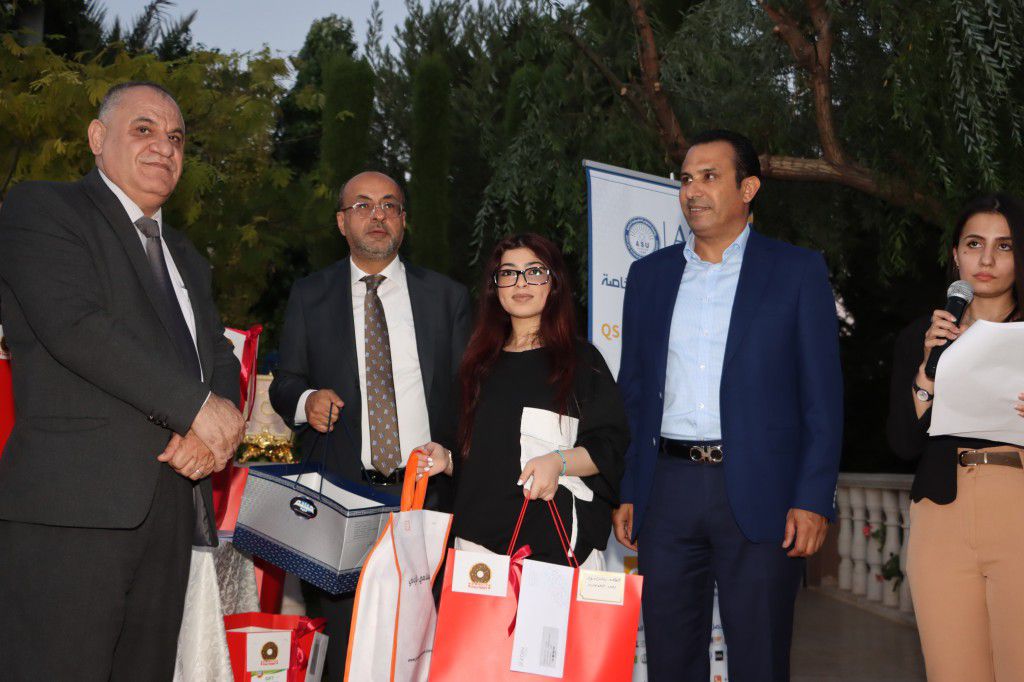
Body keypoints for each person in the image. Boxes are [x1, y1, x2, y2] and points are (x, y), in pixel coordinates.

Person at [0, 81, 245, 680]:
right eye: (144, 130)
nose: (165, 147)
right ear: (97, 137)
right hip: (73, 513)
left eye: (176, 138)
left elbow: (218, 354)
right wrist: (197, 408)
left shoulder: (187, 255)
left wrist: (215, 432)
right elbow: (77, 327)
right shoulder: (43, 210)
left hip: (170, 511)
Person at [612, 129, 843, 681]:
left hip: (761, 491)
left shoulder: (796, 271)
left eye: (710, 177)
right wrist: (629, 487)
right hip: (666, 492)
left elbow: (823, 399)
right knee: (670, 660)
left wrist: (813, 498)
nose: (692, 190)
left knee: (761, 660)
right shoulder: (649, 276)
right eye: (686, 179)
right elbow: (634, 391)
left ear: (749, 188)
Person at [268, 170, 470, 677]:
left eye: (389, 205)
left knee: (422, 653)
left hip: (427, 501)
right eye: (362, 205)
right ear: (342, 222)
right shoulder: (310, 295)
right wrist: (308, 400)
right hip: (340, 504)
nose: (377, 214)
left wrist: (455, 458)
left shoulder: (447, 298)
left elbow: (472, 397)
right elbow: (285, 382)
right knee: (347, 653)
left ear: (404, 220)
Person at [416, 233, 629, 569]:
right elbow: (475, 456)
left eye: (534, 271)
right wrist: (447, 458)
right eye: (508, 273)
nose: (521, 282)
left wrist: (558, 462)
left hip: (557, 550)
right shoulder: (476, 366)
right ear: (495, 287)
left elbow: (609, 447)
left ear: (554, 283)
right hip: (478, 552)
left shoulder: (580, 361)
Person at [887, 194, 1024, 681]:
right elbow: (902, 445)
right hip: (941, 514)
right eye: (973, 244)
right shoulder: (921, 336)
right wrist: (928, 374)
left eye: (1004, 246)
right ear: (955, 255)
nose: (986, 259)